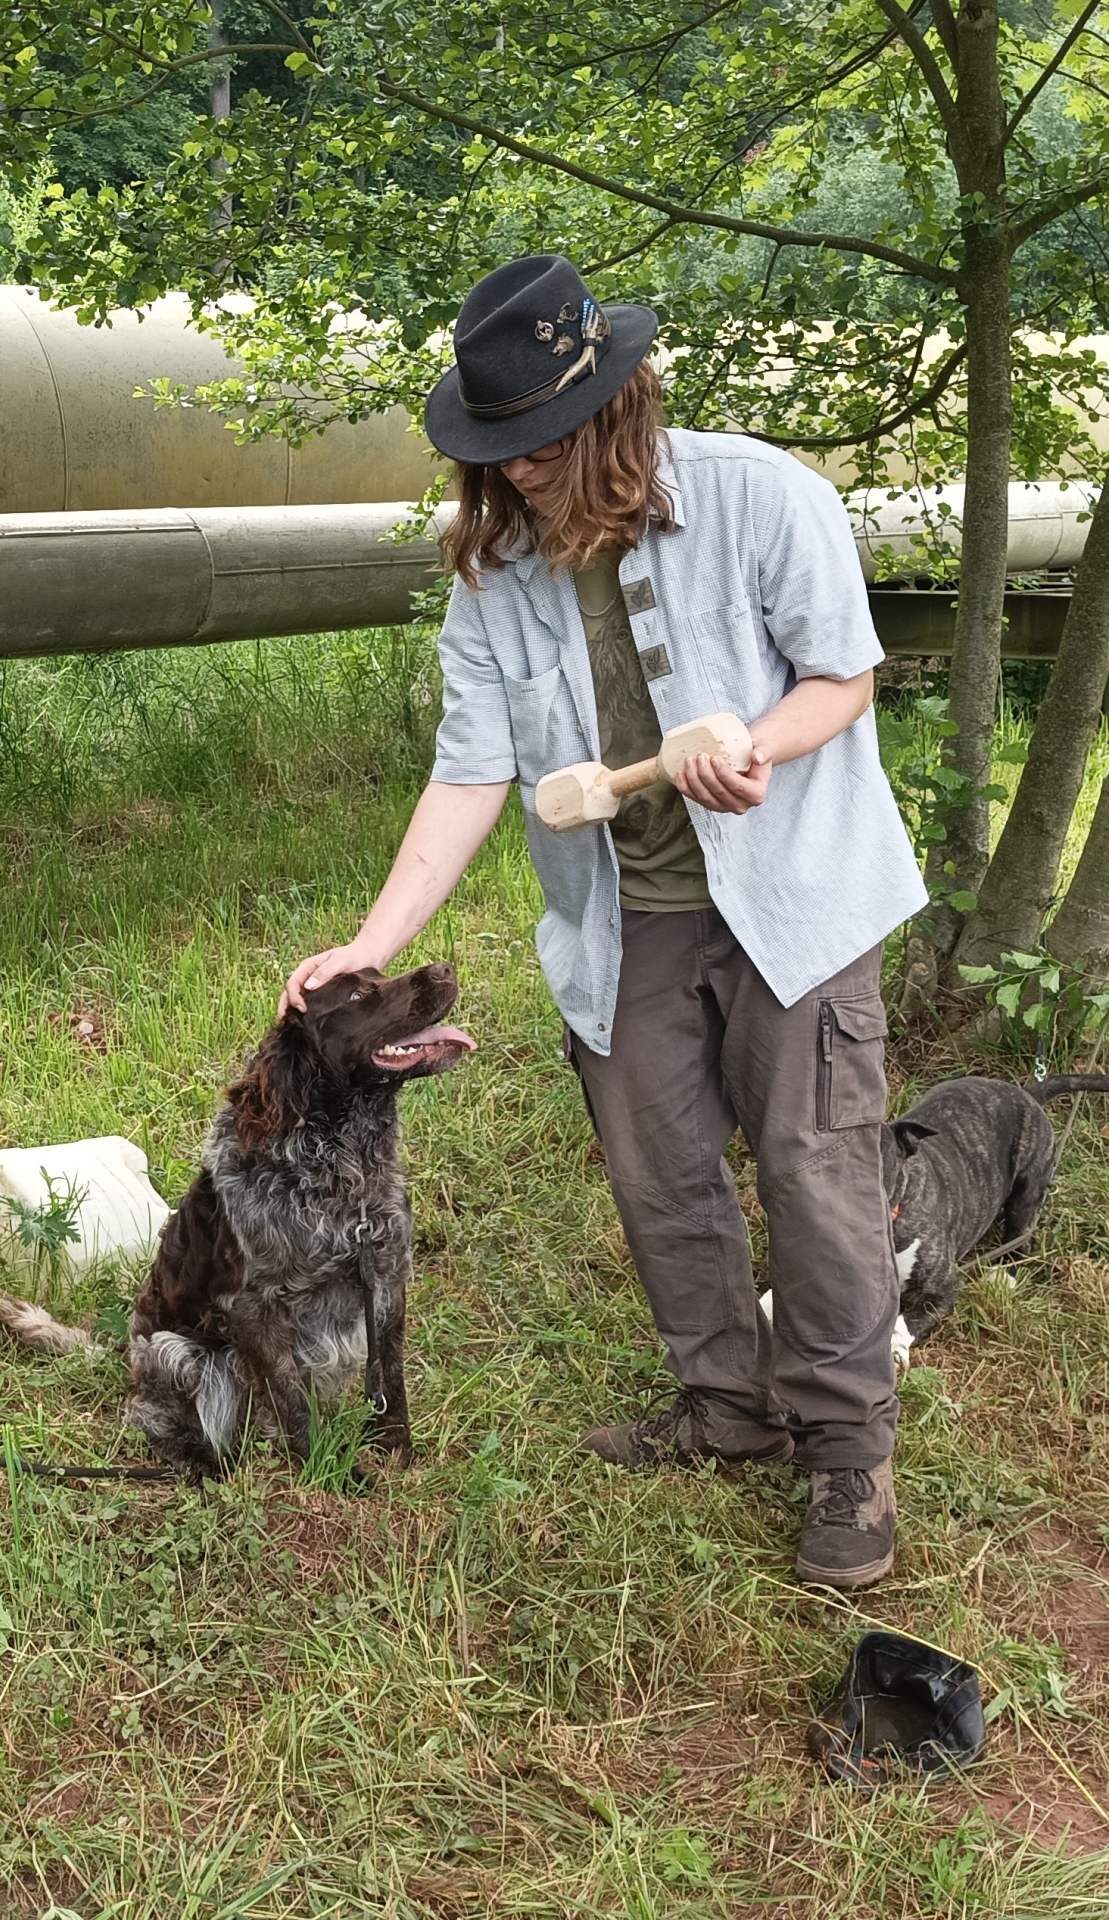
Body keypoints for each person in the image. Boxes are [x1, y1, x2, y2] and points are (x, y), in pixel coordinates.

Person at [283, 255, 927, 1589]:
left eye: (542, 442)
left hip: (795, 902)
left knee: (814, 1172)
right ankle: (728, 1404)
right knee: (660, 1172)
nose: (519, 471)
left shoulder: (762, 497)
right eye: (496, 450)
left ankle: (846, 1451)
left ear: (613, 406)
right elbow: (473, 770)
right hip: (623, 918)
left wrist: (755, 745)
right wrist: (370, 945)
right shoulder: (494, 578)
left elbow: (844, 677)